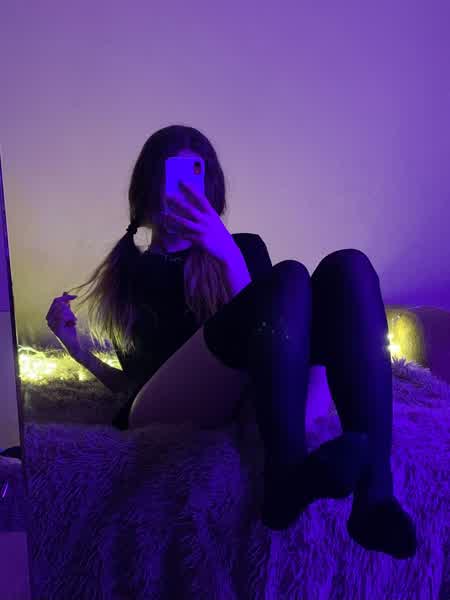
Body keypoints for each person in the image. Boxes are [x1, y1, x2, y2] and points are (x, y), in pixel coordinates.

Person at [45, 124, 416, 559]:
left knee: (348, 267)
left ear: (212, 189)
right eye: (172, 178)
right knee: (289, 277)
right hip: (168, 403)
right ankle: (286, 475)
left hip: (265, 391)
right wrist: (79, 352)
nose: (184, 193)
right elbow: (139, 383)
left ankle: (375, 494)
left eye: (196, 178)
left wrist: (226, 254)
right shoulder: (132, 273)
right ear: (147, 192)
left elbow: (274, 339)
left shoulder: (242, 249)